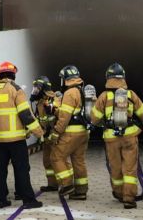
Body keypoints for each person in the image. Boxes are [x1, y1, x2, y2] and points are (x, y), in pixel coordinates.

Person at [90, 63, 143, 209]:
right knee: (130, 169)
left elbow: (94, 119)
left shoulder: (104, 96)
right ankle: (129, 198)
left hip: (111, 138)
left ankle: (118, 193)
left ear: (108, 77)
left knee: (115, 167)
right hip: (129, 137)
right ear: (123, 77)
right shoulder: (130, 94)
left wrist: (102, 125)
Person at [0, 61, 44, 210]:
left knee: (0, 170)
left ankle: (1, 200)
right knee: (21, 169)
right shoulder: (15, 89)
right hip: (16, 139)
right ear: (12, 75)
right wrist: (39, 132)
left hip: (0, 140)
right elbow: (26, 114)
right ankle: (28, 200)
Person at [50, 65, 90, 200]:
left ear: (65, 79)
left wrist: (56, 132)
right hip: (83, 132)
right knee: (78, 161)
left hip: (71, 133)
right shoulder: (81, 90)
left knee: (56, 156)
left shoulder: (69, 93)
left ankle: (67, 185)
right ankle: (81, 191)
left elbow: (64, 117)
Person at [30, 76, 59, 192]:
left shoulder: (54, 99)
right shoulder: (39, 102)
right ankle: (52, 184)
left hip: (55, 136)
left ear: (43, 89)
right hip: (46, 136)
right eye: (34, 89)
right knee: (47, 161)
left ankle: (66, 184)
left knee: (58, 160)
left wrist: (52, 110)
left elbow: (60, 116)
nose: (34, 92)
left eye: (37, 89)